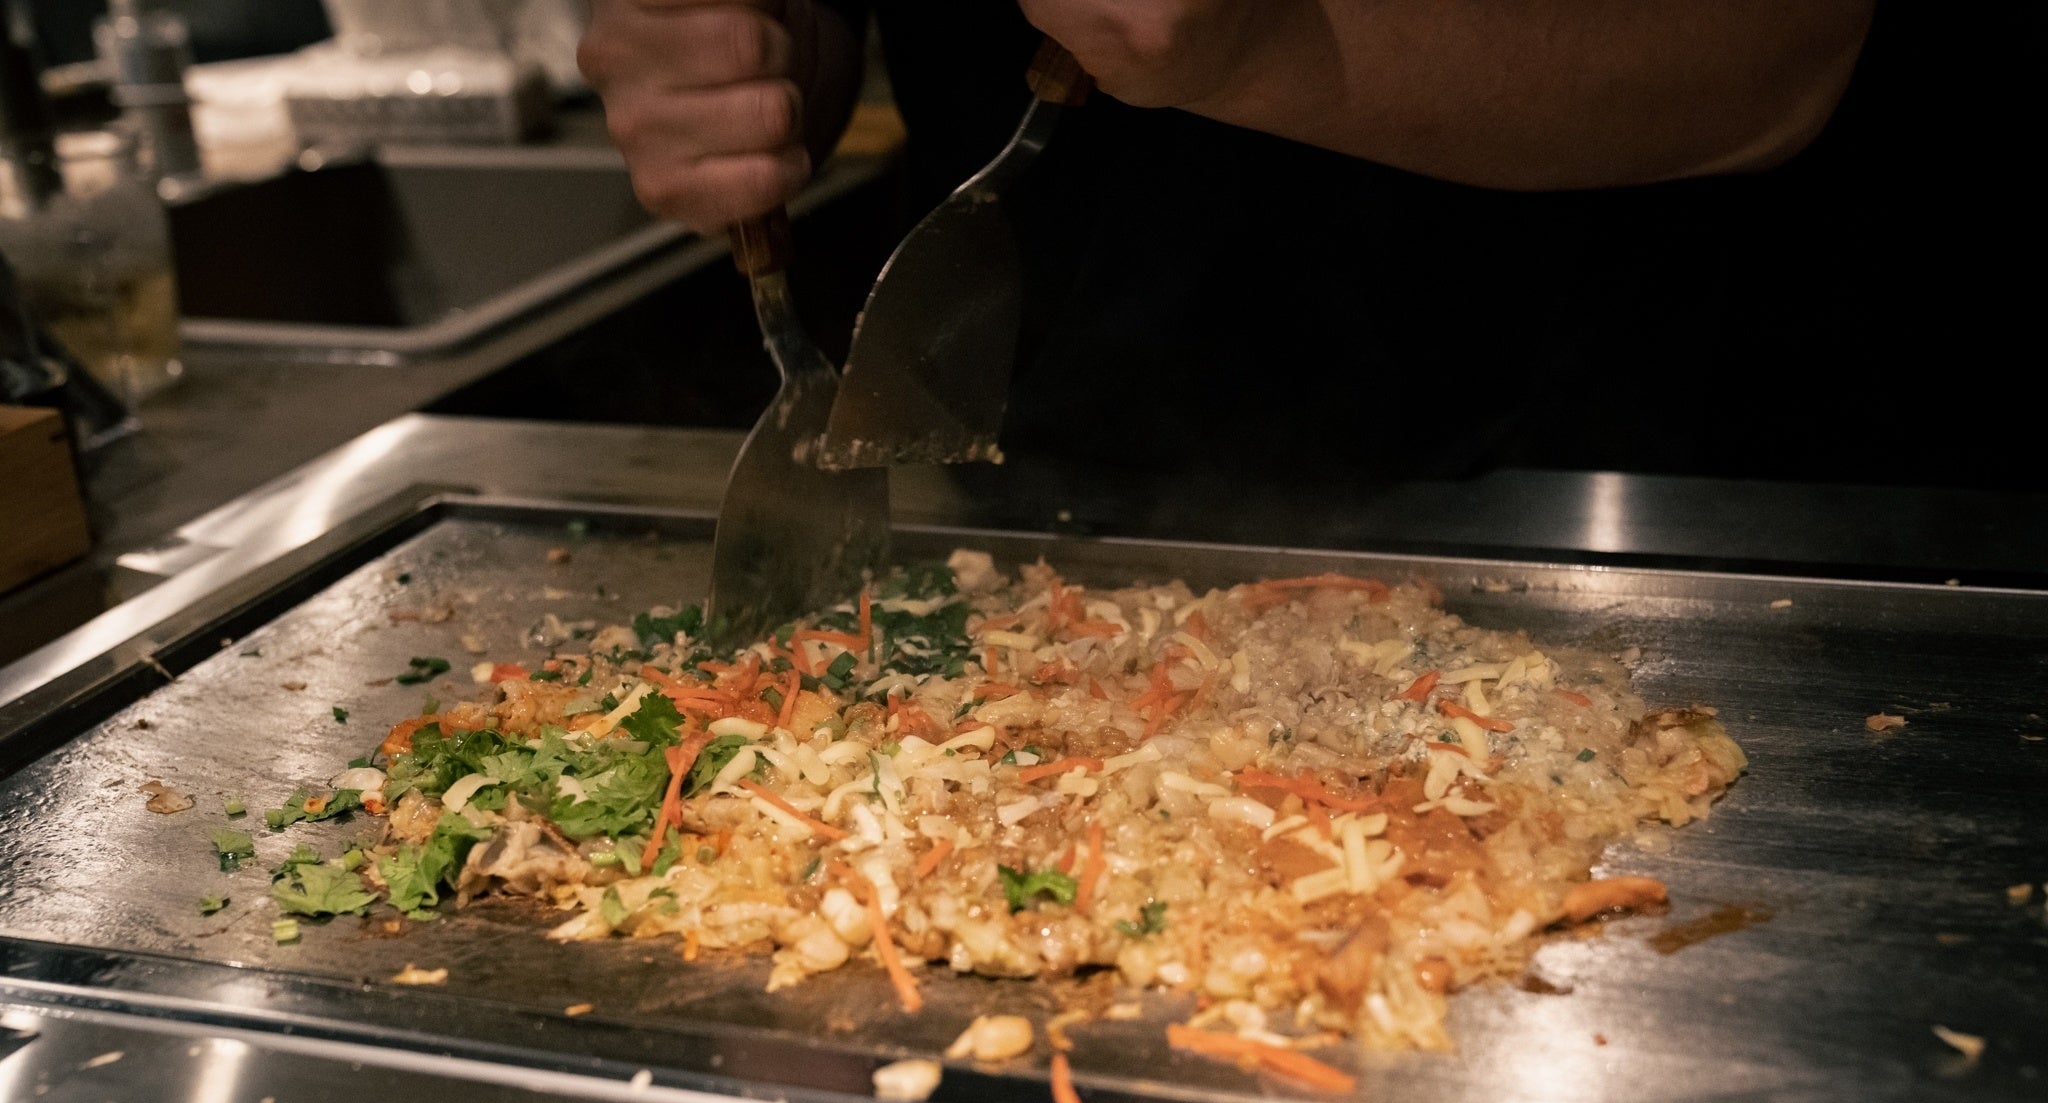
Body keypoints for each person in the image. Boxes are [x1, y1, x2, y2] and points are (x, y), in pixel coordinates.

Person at [579, 2, 2041, 535]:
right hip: (1044, 494)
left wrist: (1271, 43)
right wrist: (748, 60)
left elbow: (1791, 52)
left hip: (1640, 487)